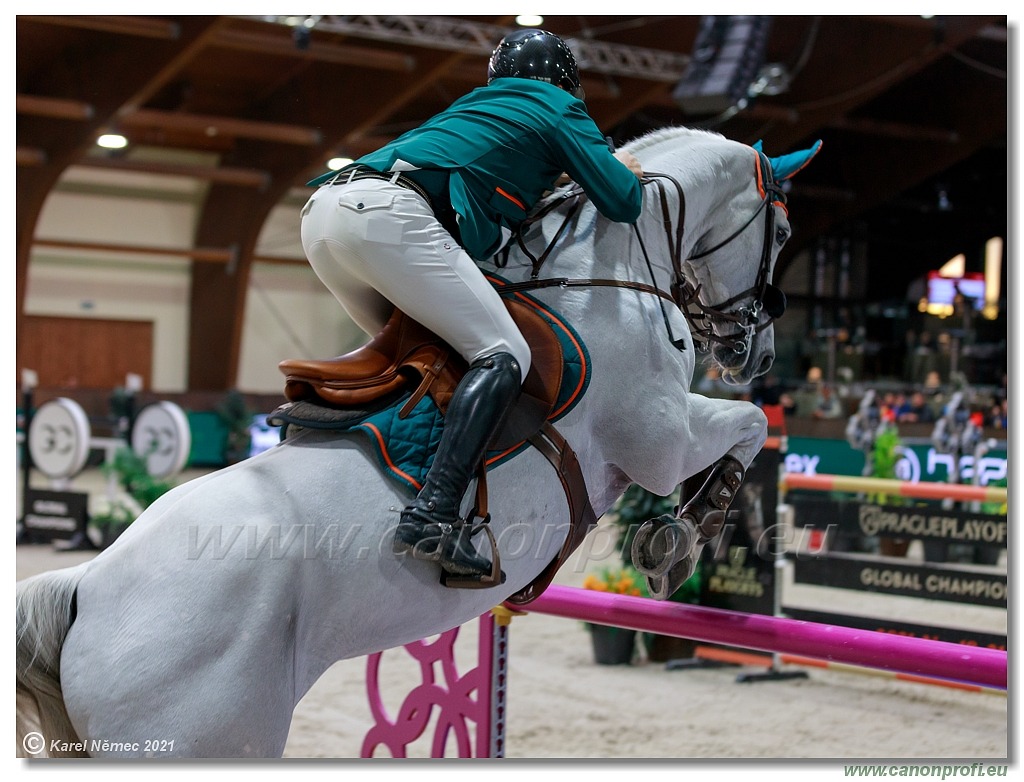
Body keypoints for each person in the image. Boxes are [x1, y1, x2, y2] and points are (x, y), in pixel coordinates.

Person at [299, 29, 644, 582]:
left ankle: (367, 475)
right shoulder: (559, 106)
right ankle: (433, 515)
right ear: (566, 83)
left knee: (423, 356)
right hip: (386, 216)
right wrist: (616, 166)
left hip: (323, 215)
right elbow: (625, 200)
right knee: (503, 354)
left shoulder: (476, 106)